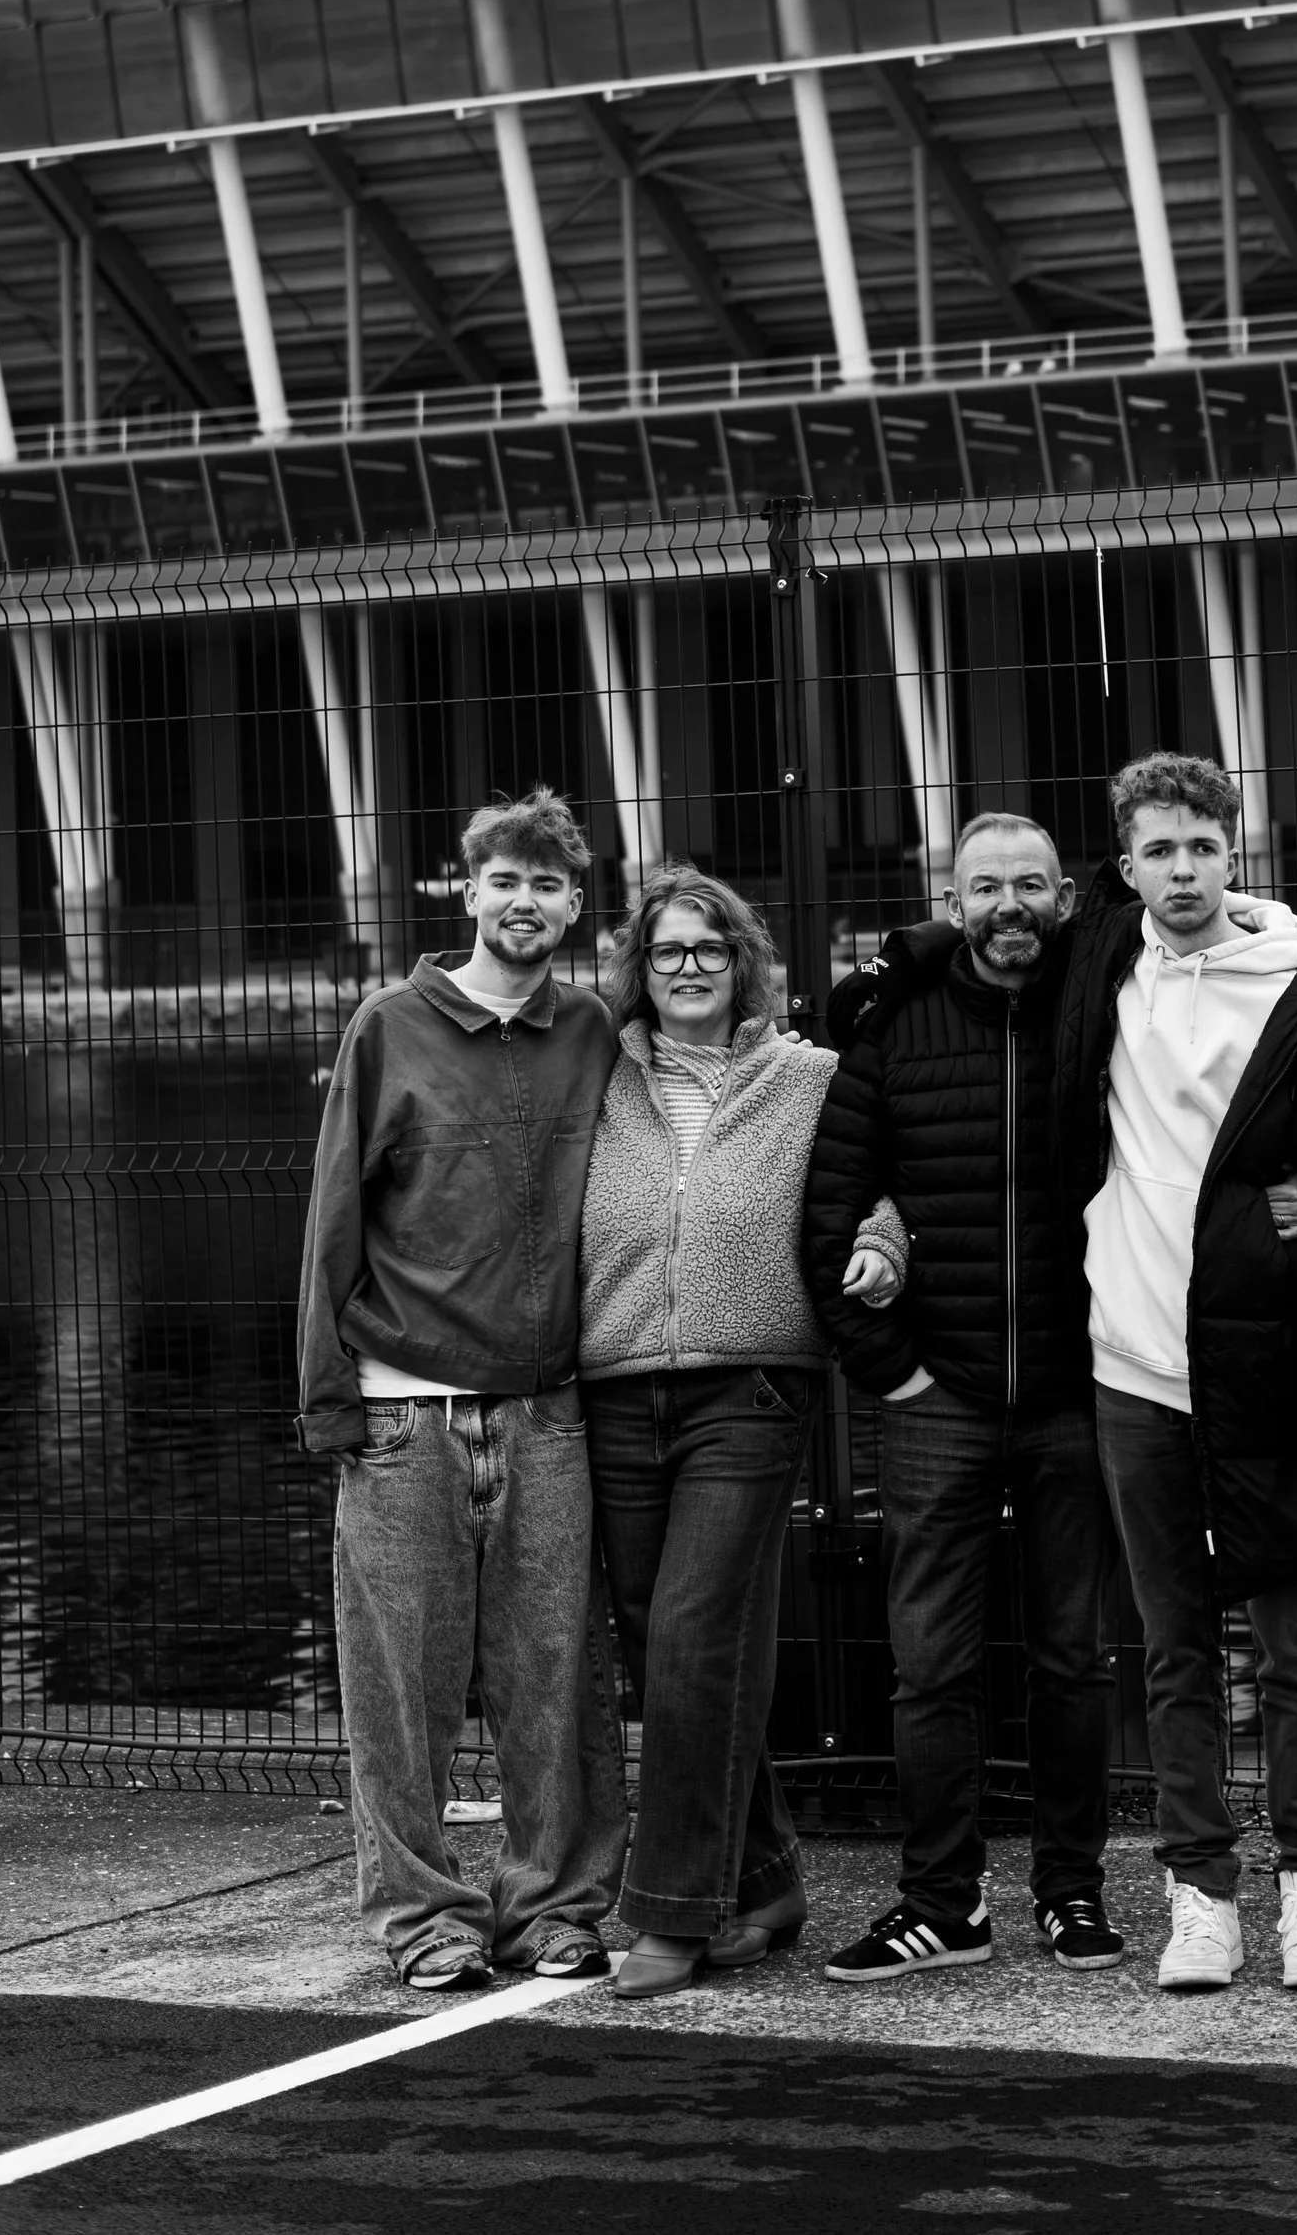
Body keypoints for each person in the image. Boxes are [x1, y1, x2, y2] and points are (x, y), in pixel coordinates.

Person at [1054, 748, 1297, 1997]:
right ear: (1124, 869)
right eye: (1156, 850)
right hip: (1135, 1367)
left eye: (1200, 847)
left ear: (1234, 855)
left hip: (1266, 1375)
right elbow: (980, 939)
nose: (1181, 871)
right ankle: (1201, 1895)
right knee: (1171, 1646)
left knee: (1292, 1646)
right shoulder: (1100, 966)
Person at [296, 787, 630, 1991]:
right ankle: (424, 1916)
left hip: (547, 1413)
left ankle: (554, 1907)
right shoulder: (390, 1025)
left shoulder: (589, 1031)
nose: (524, 902)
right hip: (401, 1414)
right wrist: (329, 1398)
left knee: (557, 1678)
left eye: (548, 884)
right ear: (468, 890)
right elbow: (335, 1215)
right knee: (401, 1690)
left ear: (574, 906)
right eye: (506, 880)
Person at [802, 811, 1126, 1982]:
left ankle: (1071, 1893)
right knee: (928, 1665)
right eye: (984, 886)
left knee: (1071, 1658)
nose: (1008, 906)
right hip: (936, 1396)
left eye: (1030, 885)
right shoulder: (892, 1030)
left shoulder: (1104, 1014)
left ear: (1064, 899)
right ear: (952, 903)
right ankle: (941, 1902)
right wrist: (891, 1369)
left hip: (1078, 1390)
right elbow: (826, 1214)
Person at [578, 864, 905, 1999]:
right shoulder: (596, 1076)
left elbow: (879, 1186)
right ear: (639, 967)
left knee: (695, 1635)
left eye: (707, 950)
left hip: (752, 1389)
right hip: (613, 1384)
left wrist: (881, 1252)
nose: (686, 969)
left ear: (742, 964)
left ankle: (672, 1911)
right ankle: (764, 1878)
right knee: (656, 1646)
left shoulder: (805, 1079)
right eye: (666, 951)